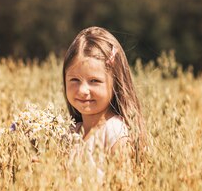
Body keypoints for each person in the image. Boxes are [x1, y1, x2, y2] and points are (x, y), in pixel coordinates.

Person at [62, 27, 147, 172]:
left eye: (94, 81)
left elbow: (122, 190)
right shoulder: (70, 133)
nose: (82, 90)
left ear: (116, 83)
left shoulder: (115, 132)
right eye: (75, 80)